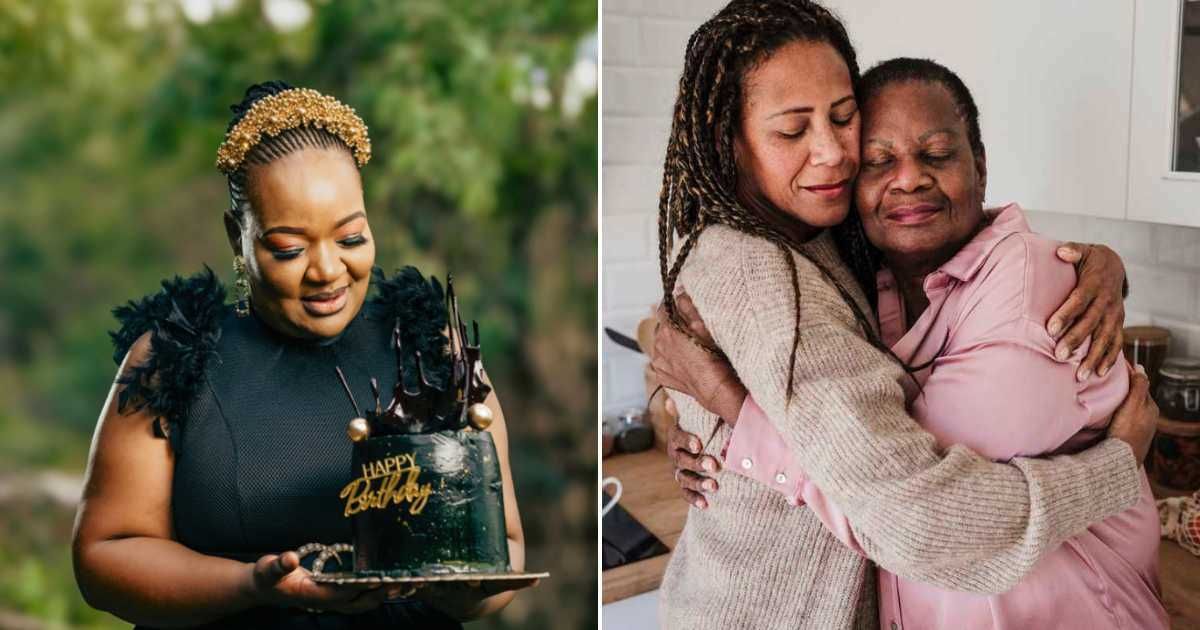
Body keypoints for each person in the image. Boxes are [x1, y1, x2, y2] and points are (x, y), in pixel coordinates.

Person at [646, 2, 1157, 628]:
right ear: (731, 144)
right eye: (792, 131)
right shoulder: (762, 269)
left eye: (842, 119)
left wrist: (1104, 263)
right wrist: (1116, 467)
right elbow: (922, 519)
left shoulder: (821, 238)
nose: (833, 153)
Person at [71, 82, 530, 629]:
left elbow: (504, 545)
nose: (327, 270)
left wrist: (453, 586)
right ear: (237, 239)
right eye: (289, 248)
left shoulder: (432, 346)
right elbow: (105, 555)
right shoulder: (175, 358)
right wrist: (253, 586)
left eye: (351, 238)